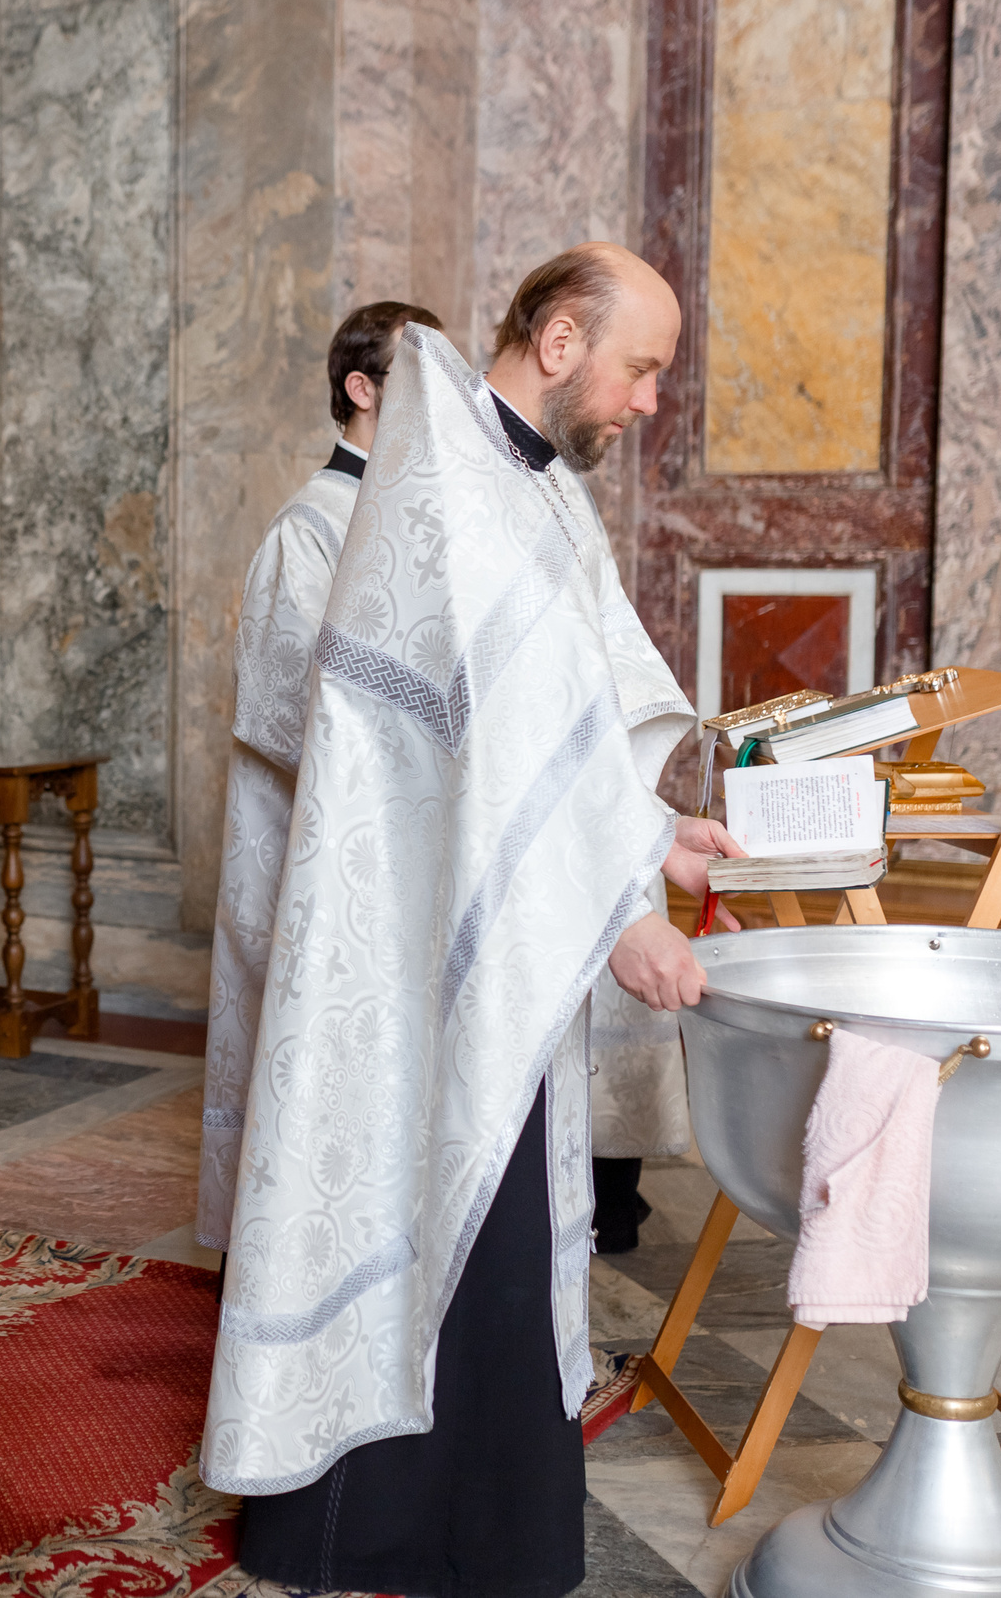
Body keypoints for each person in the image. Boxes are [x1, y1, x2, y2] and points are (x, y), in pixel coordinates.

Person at [205, 245, 744, 1597]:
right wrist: (621, 915)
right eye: (640, 367)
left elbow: (562, 719)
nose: (646, 401)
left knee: (499, 1222)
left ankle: (481, 1524)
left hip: (508, 929)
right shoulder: (441, 486)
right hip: (415, 941)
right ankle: (373, 1526)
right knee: (425, 1195)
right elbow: (473, 743)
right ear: (561, 341)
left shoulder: (533, 489)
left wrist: (647, 831)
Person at [196, 299, 441, 1254]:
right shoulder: (311, 528)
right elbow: (284, 708)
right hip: (325, 851)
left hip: (402, 846)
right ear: (361, 388)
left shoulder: (412, 519)